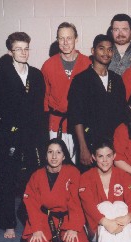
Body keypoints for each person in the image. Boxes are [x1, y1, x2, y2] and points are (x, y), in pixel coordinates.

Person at [0, 32, 47, 238]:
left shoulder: (35, 75)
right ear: (10, 51)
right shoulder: (2, 75)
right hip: (10, 137)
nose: (23, 52)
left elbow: (39, 109)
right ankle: (9, 224)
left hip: (32, 135)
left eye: (26, 48)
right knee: (7, 180)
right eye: (18, 49)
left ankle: (31, 217)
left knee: (33, 179)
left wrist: (41, 136)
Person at [79, 140, 131, 242]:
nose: (105, 160)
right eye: (100, 156)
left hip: (122, 226)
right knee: (105, 205)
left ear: (114, 156)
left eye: (108, 155)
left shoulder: (124, 175)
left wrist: (128, 217)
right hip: (98, 229)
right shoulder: (86, 177)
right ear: (94, 157)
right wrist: (106, 222)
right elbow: (88, 206)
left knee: (120, 205)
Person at [68, 34, 127, 172]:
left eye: (110, 49)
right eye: (102, 48)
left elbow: (123, 113)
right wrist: (83, 148)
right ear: (93, 51)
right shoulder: (81, 80)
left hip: (114, 142)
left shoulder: (116, 80)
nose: (106, 53)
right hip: (90, 142)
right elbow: (76, 117)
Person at [21, 138, 89, 242]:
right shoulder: (36, 176)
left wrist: (74, 227)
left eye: (58, 152)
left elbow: (76, 202)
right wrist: (36, 229)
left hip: (68, 218)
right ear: (45, 155)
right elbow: (31, 204)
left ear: (64, 156)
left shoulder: (73, 172)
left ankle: (60, 236)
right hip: (44, 218)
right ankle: (50, 240)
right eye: (50, 152)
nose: (54, 156)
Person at [41, 22, 91, 162]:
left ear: (76, 39)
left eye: (69, 38)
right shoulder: (48, 65)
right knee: (57, 164)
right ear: (57, 40)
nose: (65, 42)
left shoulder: (87, 64)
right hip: (57, 124)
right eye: (61, 38)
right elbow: (44, 98)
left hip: (81, 125)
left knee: (81, 164)